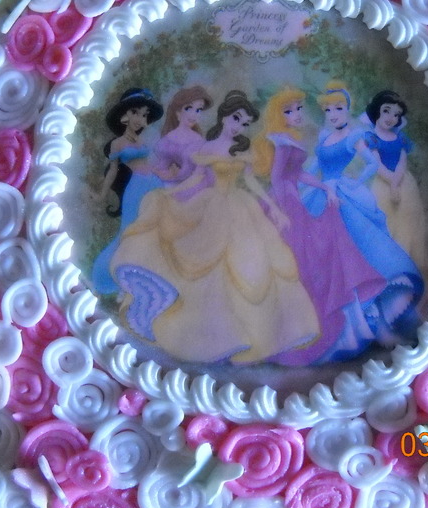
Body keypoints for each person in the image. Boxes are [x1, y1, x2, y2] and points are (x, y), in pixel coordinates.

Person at [110, 90, 320, 364]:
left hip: (240, 208)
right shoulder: (206, 149)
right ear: (224, 117)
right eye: (236, 118)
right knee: (206, 266)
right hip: (210, 207)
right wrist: (170, 194)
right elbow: (196, 179)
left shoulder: (242, 150)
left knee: (250, 265)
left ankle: (253, 333)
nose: (239, 126)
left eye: (245, 123)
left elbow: (250, 182)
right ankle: (212, 335)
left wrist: (275, 208)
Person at [253, 87, 386, 363]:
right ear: (279, 115)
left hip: (293, 199)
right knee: (297, 258)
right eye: (289, 111)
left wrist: (325, 187)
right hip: (286, 202)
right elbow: (278, 178)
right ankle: (285, 327)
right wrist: (280, 209)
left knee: (308, 254)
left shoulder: (293, 139)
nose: (297, 114)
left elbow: (299, 174)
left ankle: (309, 321)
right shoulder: (280, 141)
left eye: (299, 108)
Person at [304, 81, 424, 346]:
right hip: (320, 194)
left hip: (340, 196)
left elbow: (370, 164)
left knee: (355, 254)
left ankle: (371, 319)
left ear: (347, 109)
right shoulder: (324, 138)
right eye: (328, 110)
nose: (333, 114)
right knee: (324, 258)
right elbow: (314, 167)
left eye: (338, 108)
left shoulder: (354, 137)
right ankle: (331, 324)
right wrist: (301, 183)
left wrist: (353, 184)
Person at [90, 88, 163, 295]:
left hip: (155, 185)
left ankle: (153, 274)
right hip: (136, 189)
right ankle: (118, 275)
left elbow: (150, 163)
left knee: (157, 229)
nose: (140, 119)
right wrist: (102, 194)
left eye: (144, 115)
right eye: (135, 113)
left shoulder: (141, 141)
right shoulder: (117, 143)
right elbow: (113, 171)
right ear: (124, 116)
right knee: (131, 231)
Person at [365, 90, 428, 283]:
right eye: (386, 111)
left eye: (396, 114)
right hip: (382, 186)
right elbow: (376, 164)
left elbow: (402, 161)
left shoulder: (400, 138)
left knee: (407, 222)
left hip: (404, 184)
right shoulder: (371, 138)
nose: (391, 118)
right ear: (377, 110)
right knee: (387, 223)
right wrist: (391, 184)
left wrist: (396, 183)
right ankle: (387, 269)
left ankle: (406, 268)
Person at [152, 85, 213, 200]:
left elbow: (190, 171)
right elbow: (164, 163)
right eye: (189, 108)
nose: (194, 114)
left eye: (198, 110)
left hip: (194, 185)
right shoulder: (168, 139)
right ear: (178, 112)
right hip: (172, 182)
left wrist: (174, 175)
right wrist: (160, 172)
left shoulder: (198, 141)